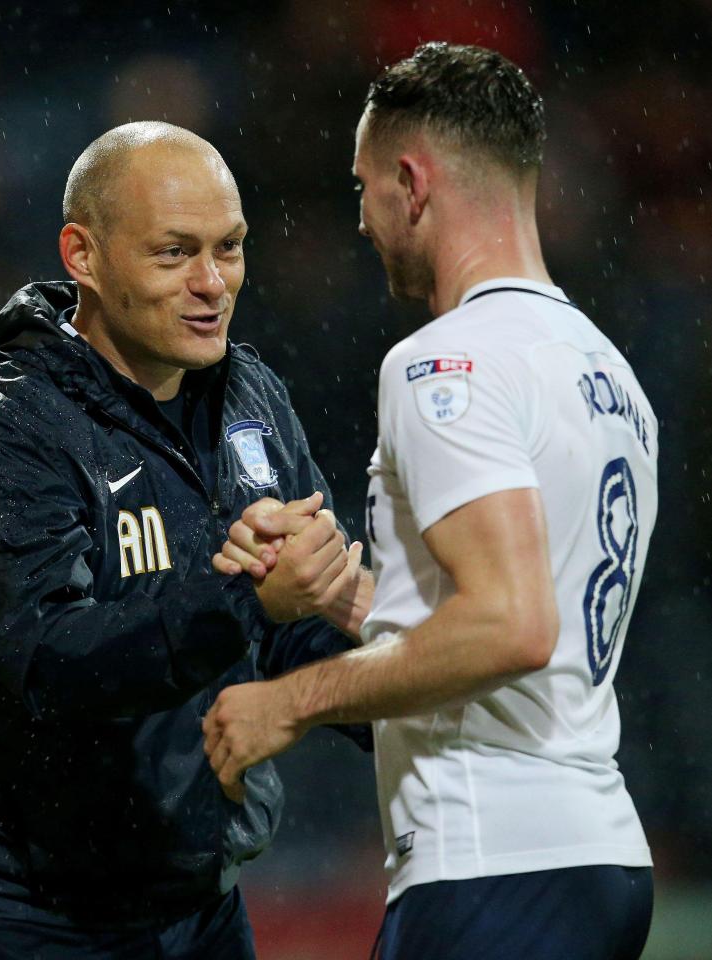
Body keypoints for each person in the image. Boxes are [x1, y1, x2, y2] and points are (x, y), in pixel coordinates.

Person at [204, 43, 657, 959]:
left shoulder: (444, 362)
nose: (362, 220)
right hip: (593, 857)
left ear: (412, 183)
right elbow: (526, 629)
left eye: (364, 187)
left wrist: (287, 701)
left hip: (493, 867)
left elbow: (509, 626)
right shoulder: (609, 376)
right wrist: (347, 597)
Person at [0, 121, 370, 960]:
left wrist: (387, 649)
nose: (212, 283)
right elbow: (51, 663)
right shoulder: (8, 431)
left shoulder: (250, 397)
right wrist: (245, 596)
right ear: (83, 255)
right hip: (6, 913)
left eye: (230, 247)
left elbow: (293, 625)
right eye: (174, 253)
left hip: (195, 904)